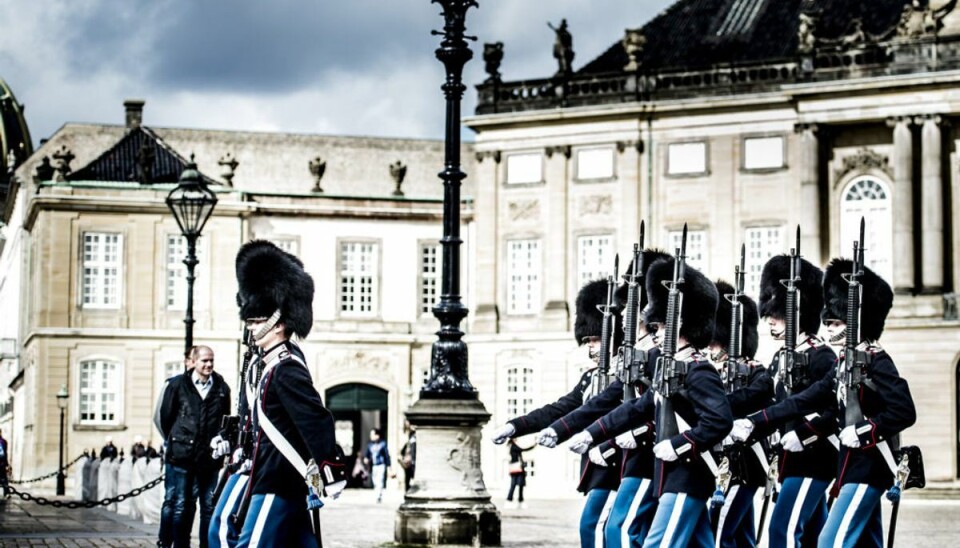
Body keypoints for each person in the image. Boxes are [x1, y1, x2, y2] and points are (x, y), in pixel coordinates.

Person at [580, 258, 732, 547]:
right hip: (674, 475)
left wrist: (678, 444)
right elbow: (637, 408)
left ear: (679, 324)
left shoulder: (699, 369)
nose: (656, 332)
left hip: (689, 474)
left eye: (660, 326)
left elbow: (719, 421)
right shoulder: (671, 368)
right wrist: (592, 433)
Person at [491, 278, 625, 548]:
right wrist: (515, 426)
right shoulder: (590, 378)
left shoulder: (624, 375)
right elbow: (562, 408)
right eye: (588, 340)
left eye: (596, 340)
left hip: (621, 461)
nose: (590, 347)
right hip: (600, 464)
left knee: (599, 527)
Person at [231, 240, 346, 547]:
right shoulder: (267, 365)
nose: (252, 328)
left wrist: (329, 466)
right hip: (270, 473)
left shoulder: (286, 367)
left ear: (277, 323)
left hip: (278, 477)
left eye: (257, 322)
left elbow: (314, 418)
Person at [729, 254, 839, 547]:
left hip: (814, 458)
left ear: (795, 313)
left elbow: (834, 411)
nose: (769, 323)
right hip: (791, 460)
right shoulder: (779, 357)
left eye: (775, 316)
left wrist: (804, 435)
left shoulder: (822, 355)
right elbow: (776, 408)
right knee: (815, 535)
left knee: (782, 531)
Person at [708, 280, 774, 548]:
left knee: (719, 532)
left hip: (745, 463)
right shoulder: (712, 372)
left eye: (714, 342)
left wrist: (720, 404)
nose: (710, 347)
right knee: (743, 536)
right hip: (724, 464)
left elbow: (758, 395)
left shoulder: (756, 371)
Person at [157, 345, 231, 548]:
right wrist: (178, 439)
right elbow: (166, 418)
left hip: (209, 458)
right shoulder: (178, 385)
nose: (208, 364)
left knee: (209, 506)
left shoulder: (222, 388)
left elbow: (225, 421)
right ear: (194, 361)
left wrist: (220, 440)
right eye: (204, 361)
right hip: (181, 456)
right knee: (181, 504)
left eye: (211, 361)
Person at [364, 429, 391, 503]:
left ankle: (378, 496)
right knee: (375, 481)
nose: (371, 436)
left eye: (372, 434)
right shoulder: (370, 445)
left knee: (380, 480)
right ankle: (378, 494)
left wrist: (389, 466)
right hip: (374, 466)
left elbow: (386, 456)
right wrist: (366, 459)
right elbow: (368, 454)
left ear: (377, 436)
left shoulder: (383, 444)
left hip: (381, 465)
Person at [505, 439, 534, 509]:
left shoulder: (511, 447)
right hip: (518, 469)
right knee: (518, 485)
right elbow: (524, 449)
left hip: (515, 469)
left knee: (515, 485)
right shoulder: (514, 447)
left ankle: (513, 501)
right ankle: (516, 501)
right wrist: (534, 445)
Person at [399, 422, 417, 492]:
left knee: (412, 477)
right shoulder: (410, 435)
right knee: (407, 478)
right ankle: (407, 492)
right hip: (409, 460)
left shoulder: (415, 434)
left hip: (413, 459)